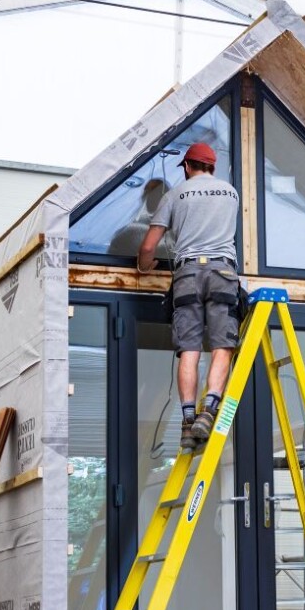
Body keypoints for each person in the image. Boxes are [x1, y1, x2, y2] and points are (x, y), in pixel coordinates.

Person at [136, 142, 241, 449]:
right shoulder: (231, 193)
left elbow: (147, 246)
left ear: (186, 166)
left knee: (189, 349)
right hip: (223, 272)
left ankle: (186, 420)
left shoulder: (175, 195)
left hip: (188, 274)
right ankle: (209, 409)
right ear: (212, 166)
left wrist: (145, 267)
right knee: (223, 343)